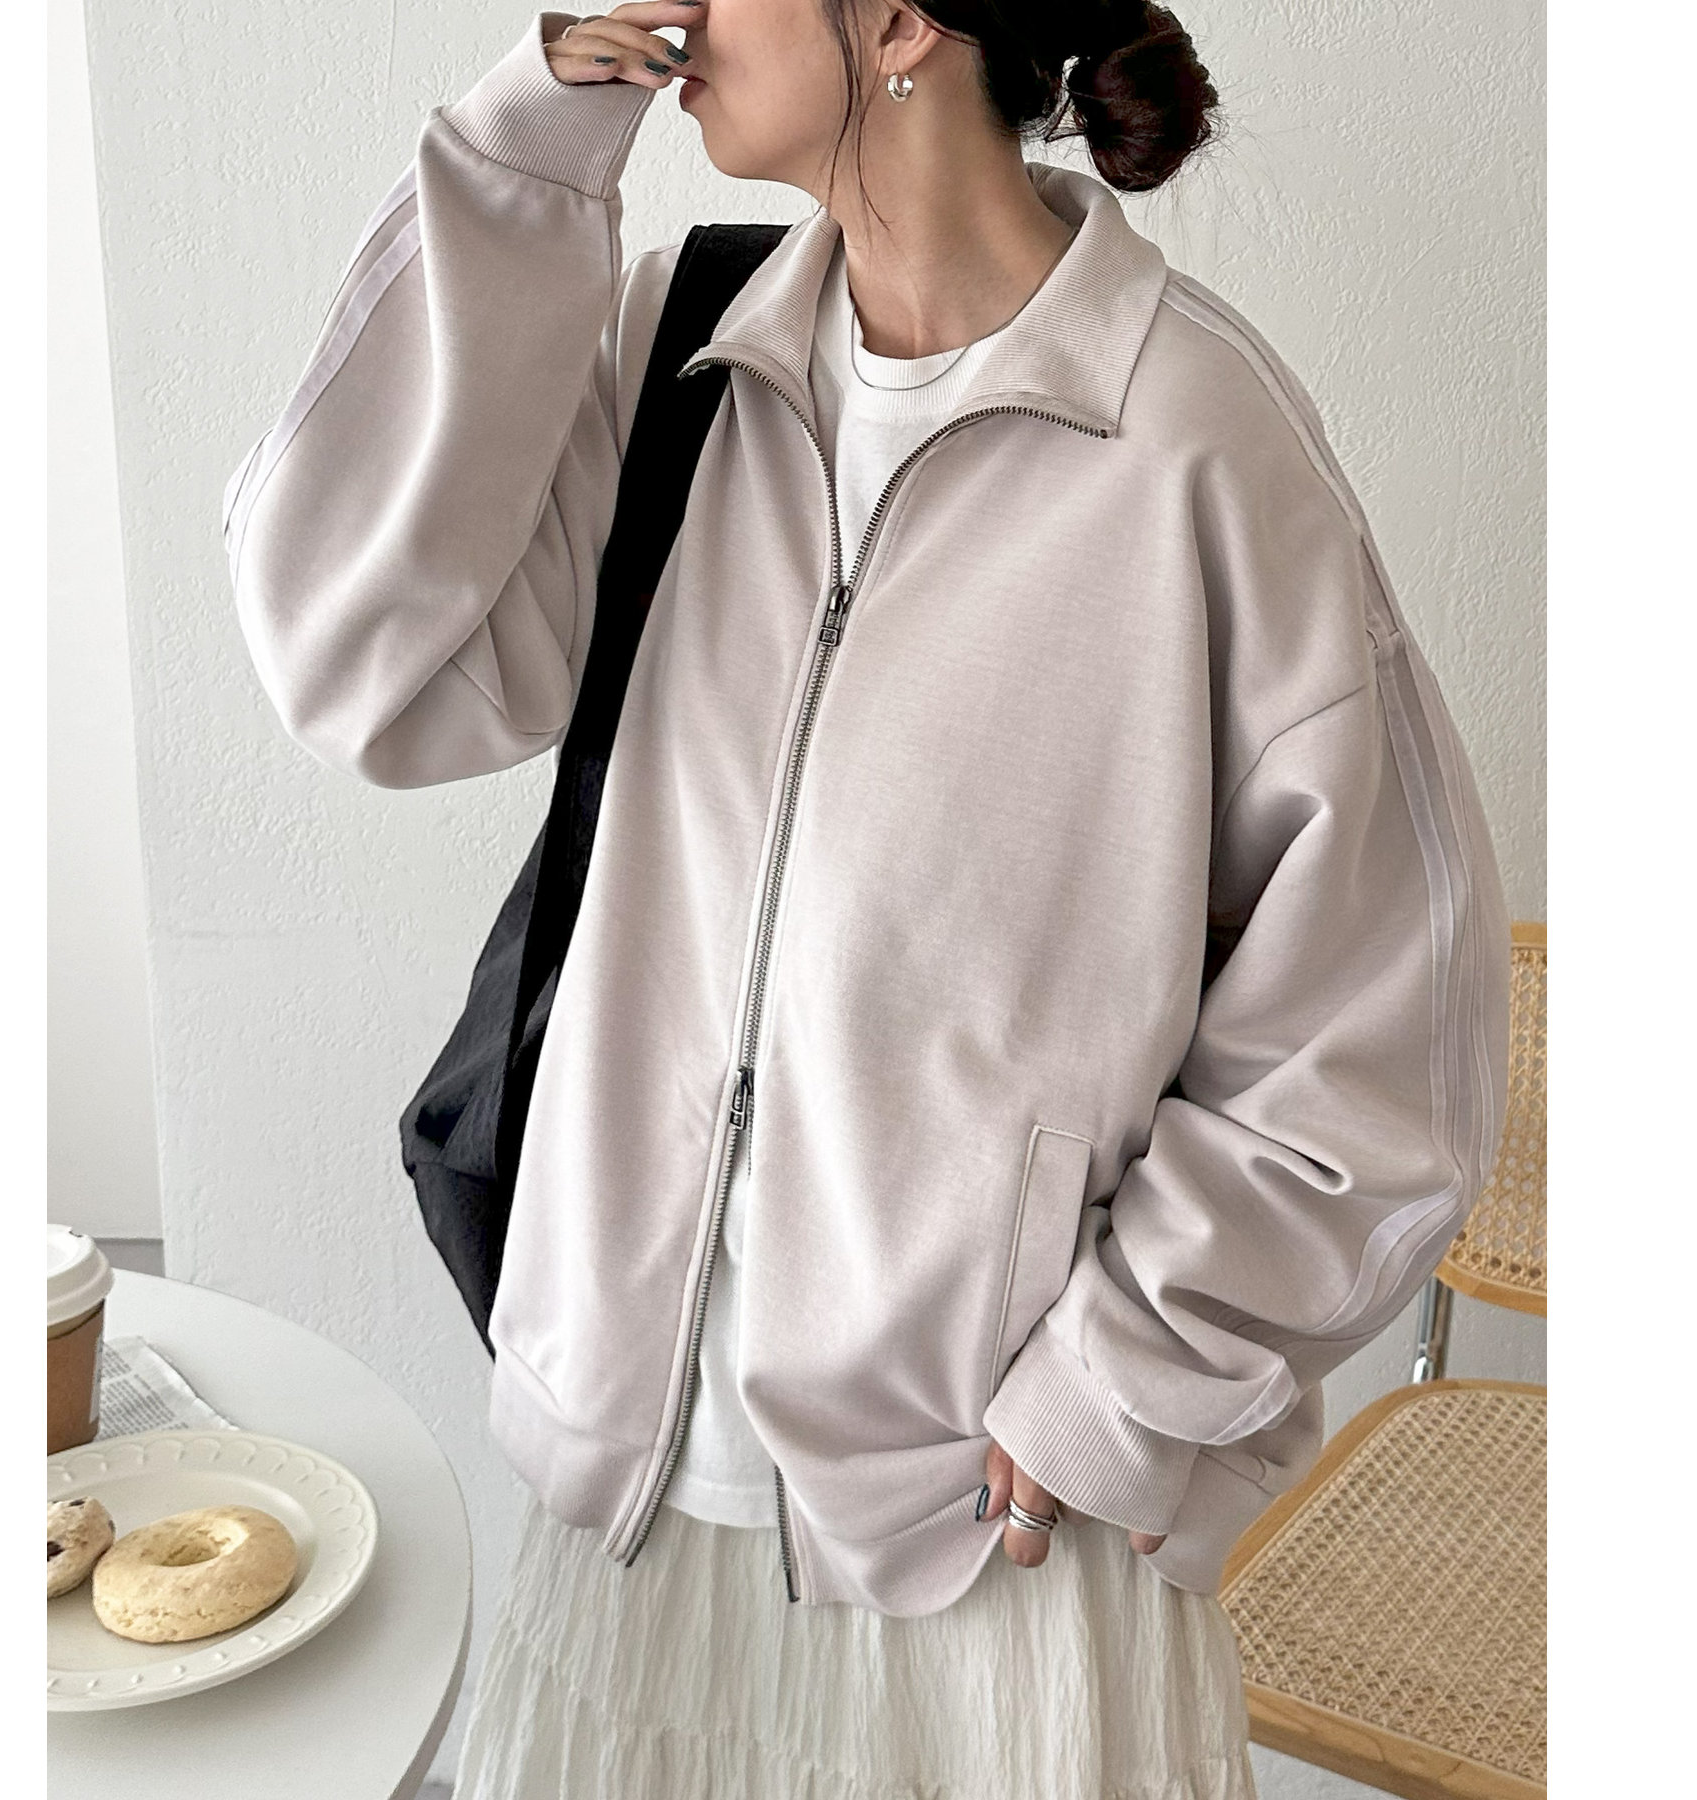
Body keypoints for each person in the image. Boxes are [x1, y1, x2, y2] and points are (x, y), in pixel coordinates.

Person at [224, 4, 1512, 1795]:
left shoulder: (1195, 439)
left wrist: (1117, 1385)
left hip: (976, 1539)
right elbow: (358, 661)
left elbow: (1383, 1033)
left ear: (898, 19)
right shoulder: (687, 349)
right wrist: (526, 160)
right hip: (641, 1498)